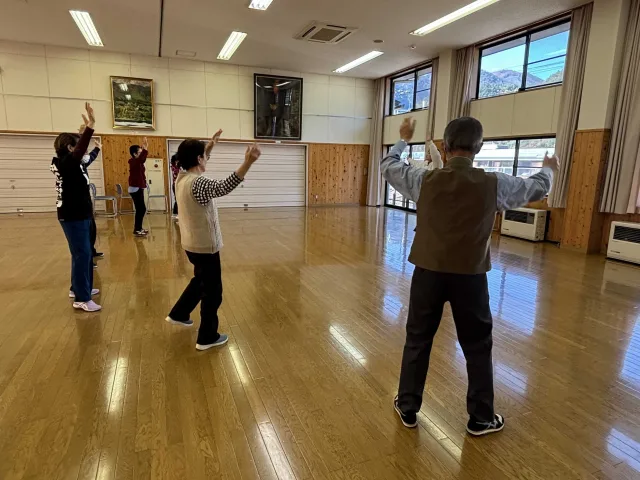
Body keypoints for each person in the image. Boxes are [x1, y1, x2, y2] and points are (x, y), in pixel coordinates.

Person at [384, 116, 558, 436]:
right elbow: (537, 186)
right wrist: (548, 168)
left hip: (428, 272)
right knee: (477, 346)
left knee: (418, 339)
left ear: (445, 147)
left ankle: (408, 406)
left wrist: (403, 139)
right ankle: (480, 417)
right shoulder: (495, 184)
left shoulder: (424, 179)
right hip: (471, 276)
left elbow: (389, 166)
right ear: (478, 148)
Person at [165, 130, 261, 351]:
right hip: (205, 246)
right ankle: (207, 337)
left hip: (191, 244)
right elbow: (224, 186)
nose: (207, 159)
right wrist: (248, 162)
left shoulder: (180, 177)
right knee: (213, 292)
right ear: (199, 159)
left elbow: (197, 159)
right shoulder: (198, 183)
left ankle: (179, 313)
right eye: (204, 156)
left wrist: (209, 146)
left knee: (200, 281)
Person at [50, 102, 102, 312]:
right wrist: (90, 127)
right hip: (73, 215)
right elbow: (81, 150)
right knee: (82, 254)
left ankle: (80, 287)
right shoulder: (66, 163)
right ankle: (82, 298)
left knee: (84, 253)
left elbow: (86, 154)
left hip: (82, 213)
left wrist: (94, 145)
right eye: (77, 145)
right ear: (70, 148)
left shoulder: (74, 164)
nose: (82, 148)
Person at [77, 128, 103, 263]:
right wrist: (84, 133)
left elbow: (90, 158)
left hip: (86, 202)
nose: (86, 153)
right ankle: (87, 259)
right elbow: (80, 149)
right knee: (85, 231)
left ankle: (91, 252)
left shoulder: (82, 164)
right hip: (78, 204)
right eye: (84, 151)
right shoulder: (73, 163)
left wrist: (97, 149)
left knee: (92, 229)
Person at [128, 137, 149, 236]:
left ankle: (139, 228)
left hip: (138, 187)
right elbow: (142, 159)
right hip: (135, 188)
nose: (141, 154)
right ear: (135, 154)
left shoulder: (137, 162)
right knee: (141, 209)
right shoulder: (133, 162)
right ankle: (137, 229)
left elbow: (141, 161)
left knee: (141, 209)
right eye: (139, 152)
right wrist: (145, 149)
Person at [170, 154, 180, 219]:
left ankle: (176, 213)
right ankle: (175, 213)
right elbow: (177, 172)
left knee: (178, 199)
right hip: (175, 185)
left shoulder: (178, 166)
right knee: (177, 199)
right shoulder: (174, 167)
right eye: (176, 160)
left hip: (178, 185)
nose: (177, 162)